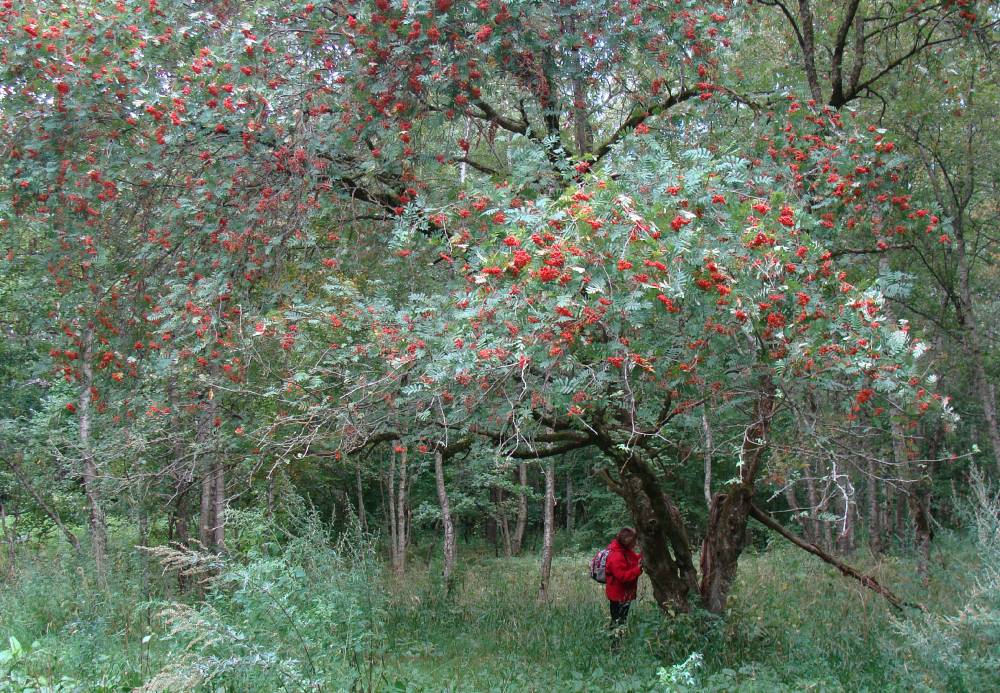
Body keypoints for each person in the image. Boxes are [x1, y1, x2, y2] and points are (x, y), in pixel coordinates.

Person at [605, 526, 642, 640]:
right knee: (618, 620)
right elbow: (622, 577)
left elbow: (635, 559)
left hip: (623, 594)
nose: (635, 544)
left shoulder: (625, 551)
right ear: (627, 541)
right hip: (618, 596)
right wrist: (638, 569)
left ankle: (616, 641)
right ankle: (615, 646)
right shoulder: (616, 555)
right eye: (633, 541)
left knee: (620, 619)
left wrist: (644, 555)